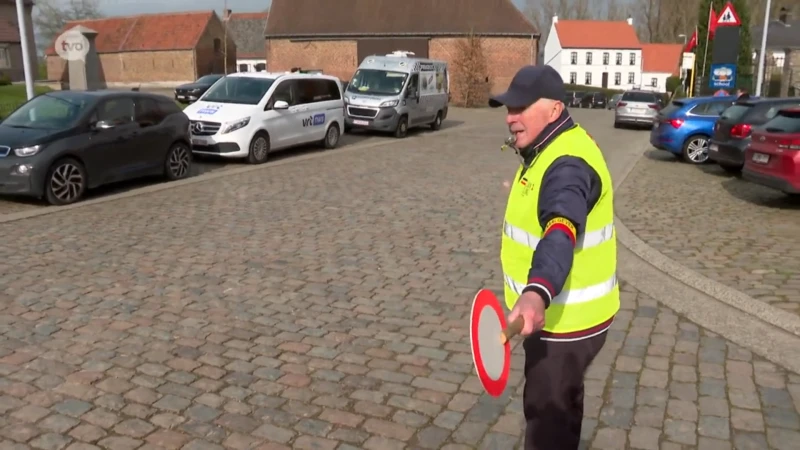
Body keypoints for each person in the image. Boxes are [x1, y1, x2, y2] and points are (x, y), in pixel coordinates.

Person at [488, 65, 619, 450]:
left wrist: (536, 292)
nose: (511, 117)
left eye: (522, 107)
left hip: (564, 324)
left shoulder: (567, 164)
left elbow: (561, 228)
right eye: (508, 107)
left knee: (548, 423)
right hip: (567, 318)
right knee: (564, 406)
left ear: (556, 109)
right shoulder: (552, 147)